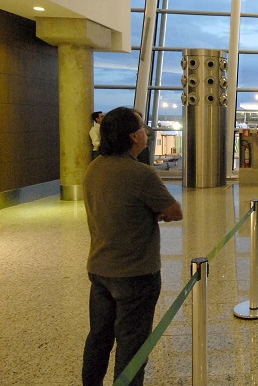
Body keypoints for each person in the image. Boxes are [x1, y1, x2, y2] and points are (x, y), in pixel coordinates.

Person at [82, 107, 183, 386]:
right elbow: (175, 211)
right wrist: (155, 212)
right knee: (132, 345)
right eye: (142, 128)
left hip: (99, 270)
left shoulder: (94, 169)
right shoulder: (141, 174)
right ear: (132, 136)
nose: (146, 133)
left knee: (98, 338)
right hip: (136, 273)